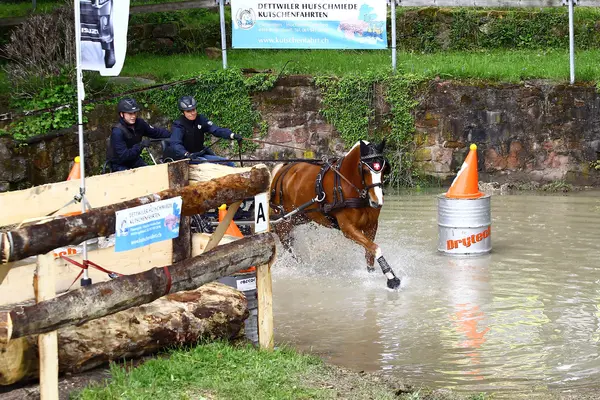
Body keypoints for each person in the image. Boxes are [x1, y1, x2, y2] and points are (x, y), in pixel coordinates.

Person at [168, 95, 242, 167]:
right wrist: (186, 154)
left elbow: (215, 130)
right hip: (187, 158)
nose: (192, 113)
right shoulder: (179, 125)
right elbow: (175, 144)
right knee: (210, 166)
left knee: (229, 164)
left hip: (200, 154)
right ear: (183, 112)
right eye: (188, 111)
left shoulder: (201, 119)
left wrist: (231, 135)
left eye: (193, 109)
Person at [106, 97, 171, 172]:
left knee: (150, 173)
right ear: (121, 114)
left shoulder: (140, 124)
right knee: (131, 179)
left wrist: (174, 135)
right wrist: (140, 145)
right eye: (130, 113)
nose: (133, 116)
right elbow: (124, 156)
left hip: (134, 160)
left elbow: (156, 132)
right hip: (119, 164)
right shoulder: (117, 131)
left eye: (135, 113)